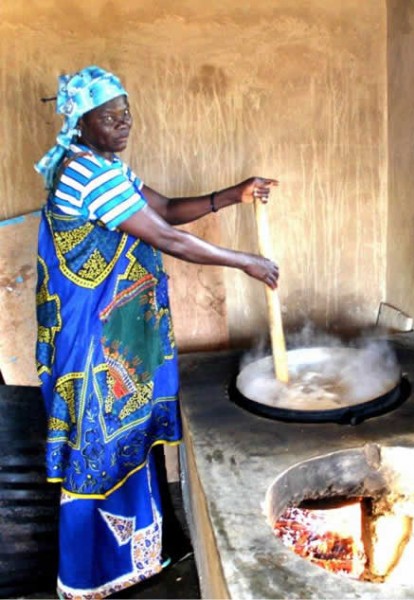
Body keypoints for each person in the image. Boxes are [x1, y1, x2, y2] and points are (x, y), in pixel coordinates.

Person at [34, 65, 279, 598]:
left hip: (118, 339)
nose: (124, 124)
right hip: (94, 342)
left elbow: (163, 208)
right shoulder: (85, 174)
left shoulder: (107, 167)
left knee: (129, 439)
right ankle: (89, 576)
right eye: (110, 116)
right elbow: (169, 237)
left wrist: (228, 196)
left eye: (127, 113)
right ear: (80, 121)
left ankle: (138, 562)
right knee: (96, 445)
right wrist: (246, 262)